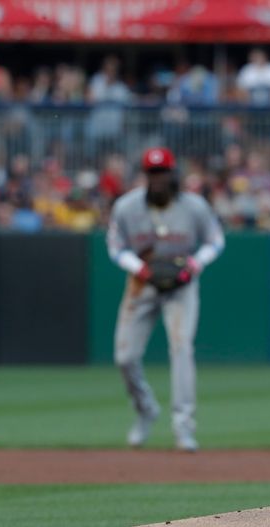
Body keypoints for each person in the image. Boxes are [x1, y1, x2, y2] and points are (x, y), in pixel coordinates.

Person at [106, 147, 225, 451]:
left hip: (181, 285)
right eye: (152, 173)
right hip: (141, 284)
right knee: (125, 357)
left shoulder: (194, 206)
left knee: (181, 347)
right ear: (145, 175)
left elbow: (215, 240)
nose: (157, 178)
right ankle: (146, 410)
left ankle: (184, 427)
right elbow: (116, 248)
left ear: (173, 173)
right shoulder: (127, 206)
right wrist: (140, 269)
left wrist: (195, 265)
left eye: (162, 172)